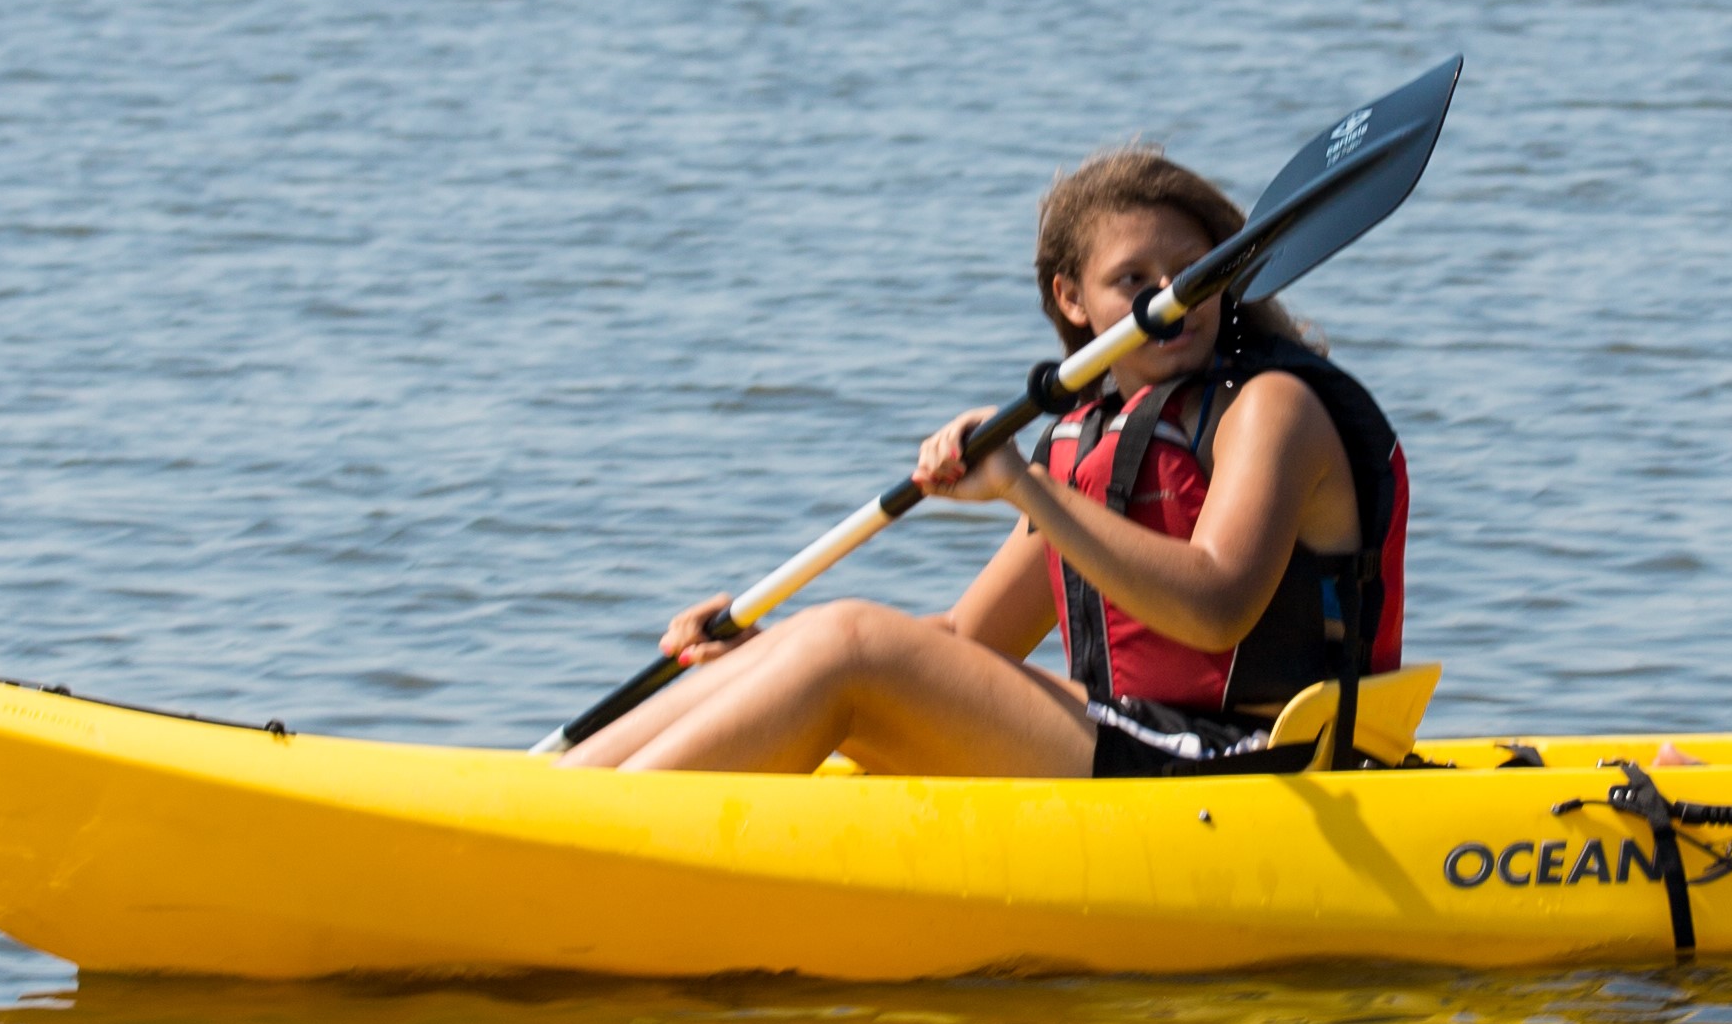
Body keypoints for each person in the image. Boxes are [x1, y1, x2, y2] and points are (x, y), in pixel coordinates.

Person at [556, 147, 1408, 777]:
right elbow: (967, 642)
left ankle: (579, 842)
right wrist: (759, 656)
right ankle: (555, 798)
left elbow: (1217, 609)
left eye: (1190, 273)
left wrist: (1025, 489)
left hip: (1266, 761)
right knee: (834, 633)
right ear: (1069, 299)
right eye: (1132, 278)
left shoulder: (1271, 407)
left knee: (853, 642)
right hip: (1140, 734)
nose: (1164, 298)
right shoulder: (1091, 436)